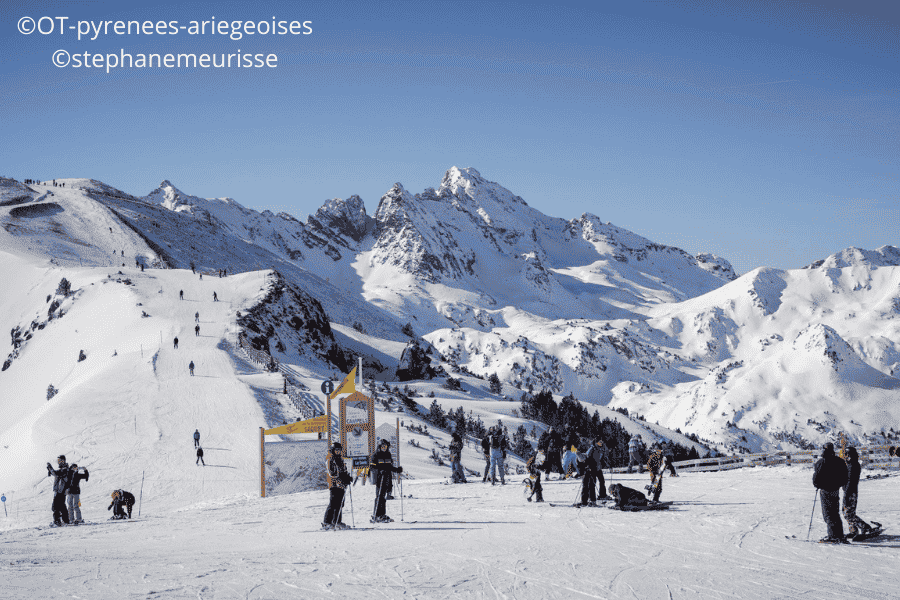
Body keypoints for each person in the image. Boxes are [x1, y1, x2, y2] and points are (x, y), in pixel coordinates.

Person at [813, 442, 849, 543]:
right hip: (835, 490)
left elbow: (816, 478)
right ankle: (839, 535)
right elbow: (845, 477)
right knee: (835, 512)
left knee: (828, 513)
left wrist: (818, 485)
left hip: (825, 490)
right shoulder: (840, 461)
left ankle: (833, 536)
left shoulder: (821, 462)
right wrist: (838, 484)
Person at [842, 447, 878, 540]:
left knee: (849, 513)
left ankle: (865, 527)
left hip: (850, 492)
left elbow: (850, 481)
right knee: (847, 513)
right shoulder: (852, 464)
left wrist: (846, 493)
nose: (845, 456)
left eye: (846, 454)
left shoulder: (853, 465)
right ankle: (854, 530)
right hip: (849, 491)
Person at [369, 440, 403, 523]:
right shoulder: (376, 455)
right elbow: (372, 468)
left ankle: (382, 515)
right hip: (379, 478)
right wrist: (380, 471)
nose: (384, 448)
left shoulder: (388, 454)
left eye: (385, 446)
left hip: (387, 478)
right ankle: (376, 515)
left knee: (383, 497)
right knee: (379, 496)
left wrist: (397, 470)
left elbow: (389, 467)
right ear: (379, 447)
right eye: (382, 446)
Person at [323, 442, 352, 530]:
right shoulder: (330, 459)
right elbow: (332, 473)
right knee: (333, 503)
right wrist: (340, 481)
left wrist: (348, 478)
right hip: (334, 484)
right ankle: (327, 522)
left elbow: (344, 471)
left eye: (339, 450)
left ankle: (337, 521)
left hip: (341, 485)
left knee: (340, 504)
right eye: (336, 450)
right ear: (333, 450)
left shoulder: (340, 459)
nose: (338, 452)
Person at [575, 437, 607, 506]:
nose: (601, 443)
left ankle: (591, 500)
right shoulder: (592, 449)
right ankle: (586, 501)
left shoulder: (600, 449)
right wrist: (587, 467)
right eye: (599, 441)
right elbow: (587, 458)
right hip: (590, 468)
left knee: (591, 484)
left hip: (595, 468)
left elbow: (600, 459)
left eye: (601, 441)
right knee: (588, 484)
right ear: (596, 442)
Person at [46, 455, 71, 526]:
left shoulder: (65, 469)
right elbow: (56, 473)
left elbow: (56, 474)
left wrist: (50, 469)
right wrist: (50, 471)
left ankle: (57, 521)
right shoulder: (64, 469)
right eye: (58, 461)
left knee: (55, 506)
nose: (58, 462)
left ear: (63, 461)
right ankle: (66, 520)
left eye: (59, 461)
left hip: (60, 491)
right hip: (60, 491)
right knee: (62, 506)